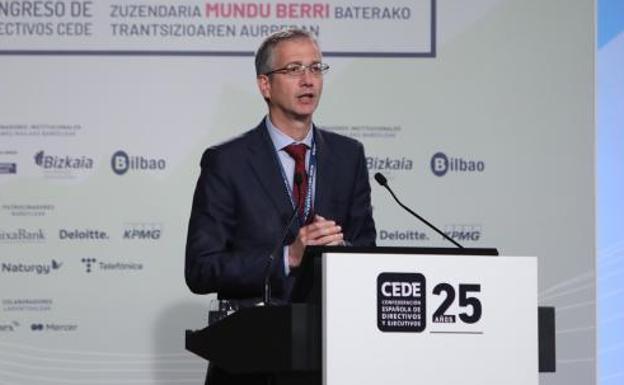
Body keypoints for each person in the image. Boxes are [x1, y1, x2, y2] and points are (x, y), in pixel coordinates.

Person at [185, 28, 376, 384]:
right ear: (264, 85)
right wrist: (288, 258)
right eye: (293, 70)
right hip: (249, 359)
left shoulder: (348, 157)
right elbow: (201, 269)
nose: (308, 80)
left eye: (316, 68)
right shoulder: (227, 162)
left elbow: (367, 252)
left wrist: (341, 254)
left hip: (330, 356)